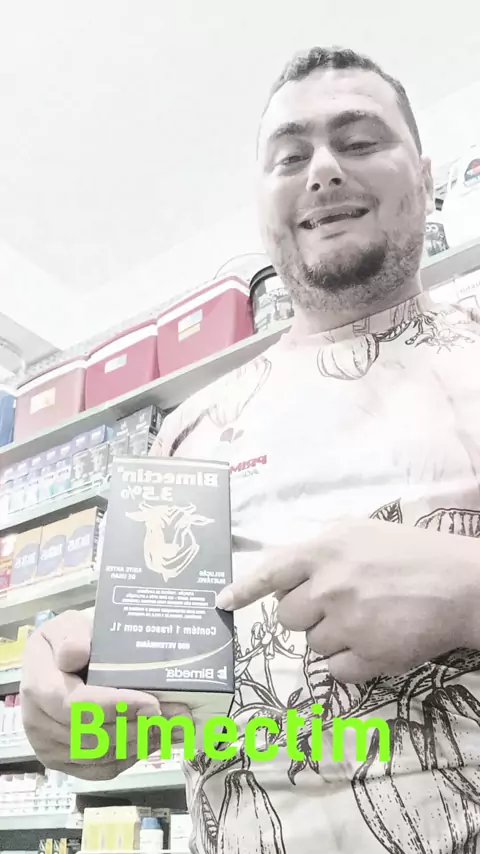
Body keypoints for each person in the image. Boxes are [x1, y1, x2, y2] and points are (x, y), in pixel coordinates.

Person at [20, 45, 480, 853]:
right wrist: (75, 700)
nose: (324, 170)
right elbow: (151, 699)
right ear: (263, 203)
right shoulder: (189, 431)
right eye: (290, 157)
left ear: (425, 173)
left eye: (360, 140)